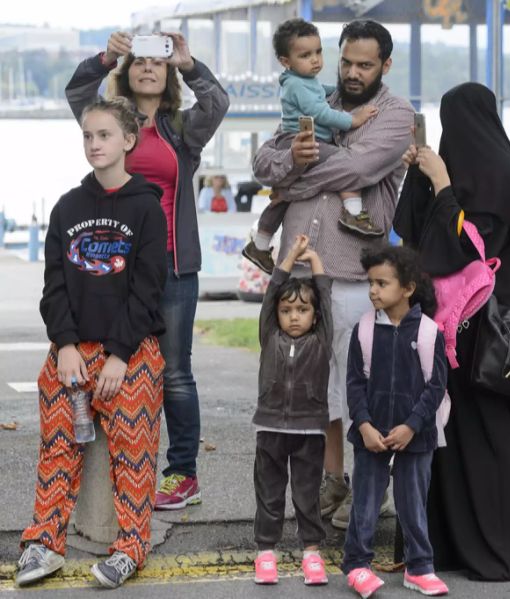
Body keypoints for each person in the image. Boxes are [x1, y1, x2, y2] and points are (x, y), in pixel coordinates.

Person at [252, 19, 414, 530]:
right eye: (345, 61)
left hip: (354, 275)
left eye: (364, 64)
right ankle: (331, 480)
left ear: (386, 65)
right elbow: (261, 162)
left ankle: (372, 485)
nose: (350, 72)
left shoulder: (395, 115)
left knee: (362, 386)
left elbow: (355, 171)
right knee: (311, 388)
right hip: (299, 271)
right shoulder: (309, 95)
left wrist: (290, 182)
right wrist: (283, 169)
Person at [66, 31, 229, 510]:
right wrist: (106, 56)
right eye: (137, 61)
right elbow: (78, 94)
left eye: (157, 62)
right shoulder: (112, 123)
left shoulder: (183, 128)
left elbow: (218, 102)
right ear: (127, 70)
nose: (147, 68)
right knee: (116, 363)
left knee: (175, 372)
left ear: (169, 73)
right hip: (115, 269)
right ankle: (118, 470)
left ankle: (182, 474)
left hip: (174, 266)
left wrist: (190, 62)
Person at [394, 82, 510, 580]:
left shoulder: (496, 172)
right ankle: (445, 545)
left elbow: (466, 246)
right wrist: (419, 178)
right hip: (450, 330)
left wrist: (440, 183)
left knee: (486, 436)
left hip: (486, 336)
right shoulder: (456, 168)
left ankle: (507, 551)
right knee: (444, 437)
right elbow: (415, 239)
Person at [16, 98, 167, 589]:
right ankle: (44, 543)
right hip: (72, 351)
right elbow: (54, 285)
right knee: (59, 446)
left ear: (128, 141)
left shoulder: (146, 207)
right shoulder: (67, 207)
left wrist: (121, 355)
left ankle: (130, 548)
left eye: (103, 135)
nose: (94, 144)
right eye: (87, 136)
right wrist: (63, 346)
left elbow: (148, 288)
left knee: (134, 452)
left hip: (131, 350)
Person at [342, 245, 450, 598]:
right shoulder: (363, 331)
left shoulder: (430, 332)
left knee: (413, 503)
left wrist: (413, 425)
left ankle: (419, 568)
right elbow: (355, 384)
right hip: (370, 435)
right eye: (371, 283)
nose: (373, 290)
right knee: (365, 503)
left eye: (382, 283)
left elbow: (436, 386)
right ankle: (357, 565)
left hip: (415, 437)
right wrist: (364, 425)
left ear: (407, 288)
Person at [242, 19, 382, 275]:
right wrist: (354, 119)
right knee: (345, 163)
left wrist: (340, 91)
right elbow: (320, 112)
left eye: (318, 52)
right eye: (305, 55)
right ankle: (354, 212)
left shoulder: (305, 80)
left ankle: (260, 243)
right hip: (302, 140)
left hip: (301, 141)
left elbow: (323, 91)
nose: (315, 60)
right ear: (286, 61)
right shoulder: (296, 85)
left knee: (282, 198)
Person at [251, 234, 331, 587]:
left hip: (309, 431)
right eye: (287, 311)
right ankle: (265, 551)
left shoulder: (321, 340)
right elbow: (271, 296)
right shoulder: (270, 336)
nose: (293, 317)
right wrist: (288, 259)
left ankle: (311, 551)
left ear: (314, 316)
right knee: (269, 493)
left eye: (302, 310)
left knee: (306, 494)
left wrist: (314, 262)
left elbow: (325, 298)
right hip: (270, 428)